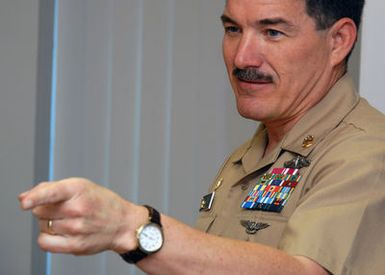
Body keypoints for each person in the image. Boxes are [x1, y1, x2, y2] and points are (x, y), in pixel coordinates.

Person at [19, 0, 385, 274]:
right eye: (232, 29)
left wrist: (130, 227)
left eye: (272, 32)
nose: (243, 57)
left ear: (339, 41)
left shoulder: (366, 152)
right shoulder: (253, 152)